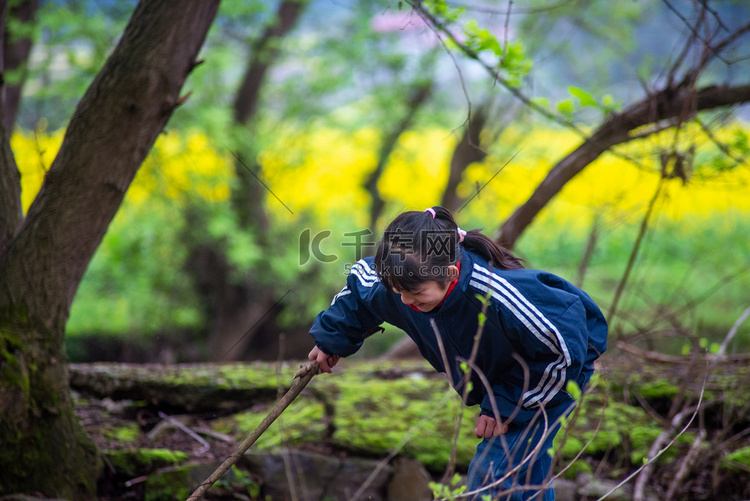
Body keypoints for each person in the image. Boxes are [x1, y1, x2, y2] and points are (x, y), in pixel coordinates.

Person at [307, 206, 608, 500]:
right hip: (511, 374)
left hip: (550, 376)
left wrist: (505, 406)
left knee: (493, 475)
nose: (405, 302)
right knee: (526, 478)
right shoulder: (404, 285)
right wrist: (332, 338)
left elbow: (562, 347)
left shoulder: (495, 293)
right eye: (398, 291)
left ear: (450, 273)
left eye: (415, 294)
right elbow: (362, 286)